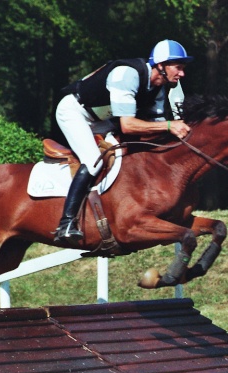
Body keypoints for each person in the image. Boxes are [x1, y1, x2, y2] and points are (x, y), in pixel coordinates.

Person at [53, 39, 194, 244]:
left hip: (101, 120)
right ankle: (65, 224)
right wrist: (170, 126)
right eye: (178, 67)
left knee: (129, 150)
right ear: (161, 66)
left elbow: (156, 128)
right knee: (94, 159)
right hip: (74, 111)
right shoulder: (127, 74)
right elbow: (128, 125)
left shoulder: (159, 88)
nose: (182, 74)